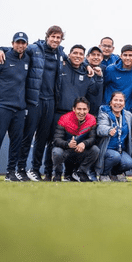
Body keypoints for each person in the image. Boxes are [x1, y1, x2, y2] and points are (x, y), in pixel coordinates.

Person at [0, 25, 66, 182]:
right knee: (27, 136)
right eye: (53, 36)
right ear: (47, 37)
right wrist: (0, 49)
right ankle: (20, 169)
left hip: (51, 102)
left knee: (43, 138)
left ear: (61, 40)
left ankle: (34, 170)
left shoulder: (60, 53)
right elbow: (16, 49)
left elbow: (77, 61)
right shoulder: (34, 49)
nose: (55, 40)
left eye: (58, 37)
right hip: (34, 101)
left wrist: (88, 66)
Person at [46, 44, 103, 180]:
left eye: (81, 54)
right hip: (59, 113)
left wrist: (99, 77)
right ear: (69, 54)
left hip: (78, 115)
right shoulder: (63, 65)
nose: (77, 56)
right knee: (53, 144)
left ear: (84, 57)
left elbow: (94, 91)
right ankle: (50, 173)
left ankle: (72, 174)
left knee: (79, 145)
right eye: (75, 53)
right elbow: (60, 50)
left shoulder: (86, 71)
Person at [0, 32, 30, 181]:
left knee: (16, 142)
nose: (20, 45)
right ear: (12, 43)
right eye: (18, 42)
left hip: (20, 108)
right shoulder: (1, 58)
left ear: (26, 45)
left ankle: (10, 173)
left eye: (23, 43)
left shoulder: (28, 59)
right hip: (1, 106)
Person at [51, 97, 99, 182]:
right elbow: (56, 139)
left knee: (95, 150)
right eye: (79, 109)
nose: (81, 112)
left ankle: (81, 173)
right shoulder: (64, 119)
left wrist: (84, 143)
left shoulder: (92, 120)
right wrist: (68, 144)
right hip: (66, 151)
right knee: (56, 151)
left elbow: (93, 139)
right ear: (74, 109)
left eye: (84, 109)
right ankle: (58, 175)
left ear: (88, 110)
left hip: (81, 151)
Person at [97, 92, 132, 182]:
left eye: (121, 100)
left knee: (129, 163)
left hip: (121, 150)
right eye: (115, 100)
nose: (118, 103)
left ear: (124, 104)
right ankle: (104, 174)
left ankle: (114, 174)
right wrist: (108, 130)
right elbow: (100, 128)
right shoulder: (104, 113)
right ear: (110, 103)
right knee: (115, 156)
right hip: (107, 149)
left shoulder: (128, 115)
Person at [103, 44, 132, 114]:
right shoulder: (111, 69)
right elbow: (103, 86)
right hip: (109, 108)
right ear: (121, 56)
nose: (127, 58)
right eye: (125, 55)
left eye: (130, 55)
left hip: (127, 110)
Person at [86, 46, 105, 116]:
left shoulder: (104, 70)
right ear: (87, 57)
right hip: (83, 110)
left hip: (98, 110)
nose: (96, 57)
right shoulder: (82, 68)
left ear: (102, 58)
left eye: (98, 55)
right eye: (93, 54)